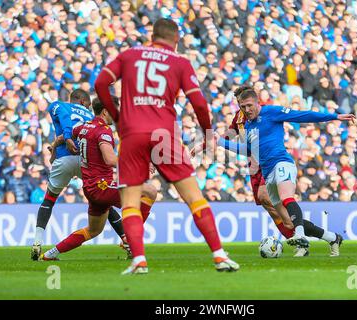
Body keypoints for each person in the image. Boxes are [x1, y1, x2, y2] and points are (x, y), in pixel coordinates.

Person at [95, 18, 239, 274]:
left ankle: (139, 260)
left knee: (130, 202)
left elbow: (100, 83)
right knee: (194, 198)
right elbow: (198, 102)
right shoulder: (180, 62)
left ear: (152, 36)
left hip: (132, 135)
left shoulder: (129, 55)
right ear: (176, 39)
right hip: (164, 135)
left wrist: (118, 118)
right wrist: (206, 132)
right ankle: (219, 255)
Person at [216, 85, 354, 256]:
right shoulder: (248, 125)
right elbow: (248, 150)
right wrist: (219, 143)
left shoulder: (272, 111)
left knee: (286, 197)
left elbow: (302, 115)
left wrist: (334, 116)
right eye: (242, 107)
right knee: (287, 221)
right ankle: (332, 237)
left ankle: (301, 238)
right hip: (266, 171)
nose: (246, 109)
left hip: (282, 162)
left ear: (257, 102)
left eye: (249, 105)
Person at [40, 98, 157, 261]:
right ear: (105, 111)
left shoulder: (84, 127)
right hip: (103, 186)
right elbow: (109, 159)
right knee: (150, 191)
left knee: (93, 230)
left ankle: (49, 254)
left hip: (91, 189)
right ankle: (131, 239)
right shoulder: (103, 131)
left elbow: (62, 136)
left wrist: (55, 146)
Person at [31, 90, 130, 260]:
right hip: (85, 159)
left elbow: (64, 122)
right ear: (84, 102)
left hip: (65, 158)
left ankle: (37, 242)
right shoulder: (90, 116)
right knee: (104, 197)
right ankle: (126, 239)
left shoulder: (59, 105)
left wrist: (56, 146)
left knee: (49, 199)